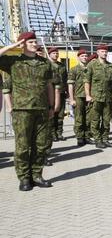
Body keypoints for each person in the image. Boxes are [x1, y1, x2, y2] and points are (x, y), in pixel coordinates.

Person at [0, 32, 56, 191]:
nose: (34, 43)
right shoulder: (13, 61)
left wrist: (52, 106)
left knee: (40, 145)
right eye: (30, 41)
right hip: (22, 110)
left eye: (34, 41)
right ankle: (24, 178)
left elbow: (49, 86)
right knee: (23, 146)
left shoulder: (44, 63)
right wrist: (11, 47)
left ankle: (37, 175)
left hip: (42, 109)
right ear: (22, 44)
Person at [85, 44, 112, 148]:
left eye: (106, 51)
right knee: (95, 119)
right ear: (97, 52)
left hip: (108, 97)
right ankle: (98, 139)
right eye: (102, 51)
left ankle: (105, 138)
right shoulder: (92, 65)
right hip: (96, 97)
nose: (104, 53)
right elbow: (87, 81)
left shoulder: (111, 66)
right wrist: (88, 95)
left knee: (106, 120)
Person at [67, 48, 90, 146]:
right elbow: (70, 85)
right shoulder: (74, 69)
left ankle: (87, 136)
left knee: (88, 117)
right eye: (82, 56)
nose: (85, 58)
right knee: (79, 118)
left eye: (86, 56)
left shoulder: (90, 68)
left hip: (89, 96)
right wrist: (71, 99)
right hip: (78, 96)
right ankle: (80, 137)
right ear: (78, 57)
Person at [47, 47, 68, 141]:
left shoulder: (62, 66)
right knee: (52, 113)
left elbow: (65, 78)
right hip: (50, 92)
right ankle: (52, 134)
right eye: (54, 53)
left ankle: (59, 133)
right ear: (49, 54)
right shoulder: (47, 65)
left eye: (57, 53)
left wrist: (67, 90)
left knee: (60, 113)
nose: (56, 55)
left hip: (61, 92)